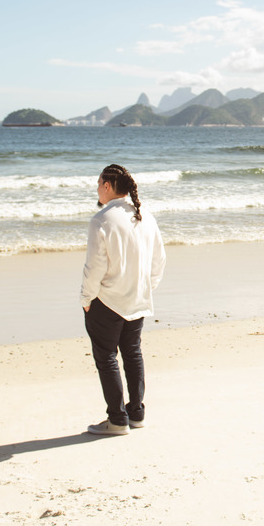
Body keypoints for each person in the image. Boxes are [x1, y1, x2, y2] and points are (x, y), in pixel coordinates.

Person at [80, 164, 166, 436]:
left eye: (98, 184)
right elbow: (159, 261)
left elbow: (95, 267)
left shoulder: (102, 220)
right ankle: (136, 414)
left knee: (106, 358)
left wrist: (86, 298)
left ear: (107, 185)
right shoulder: (145, 216)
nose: (96, 189)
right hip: (136, 299)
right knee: (132, 354)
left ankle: (117, 420)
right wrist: (145, 288)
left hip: (107, 300)